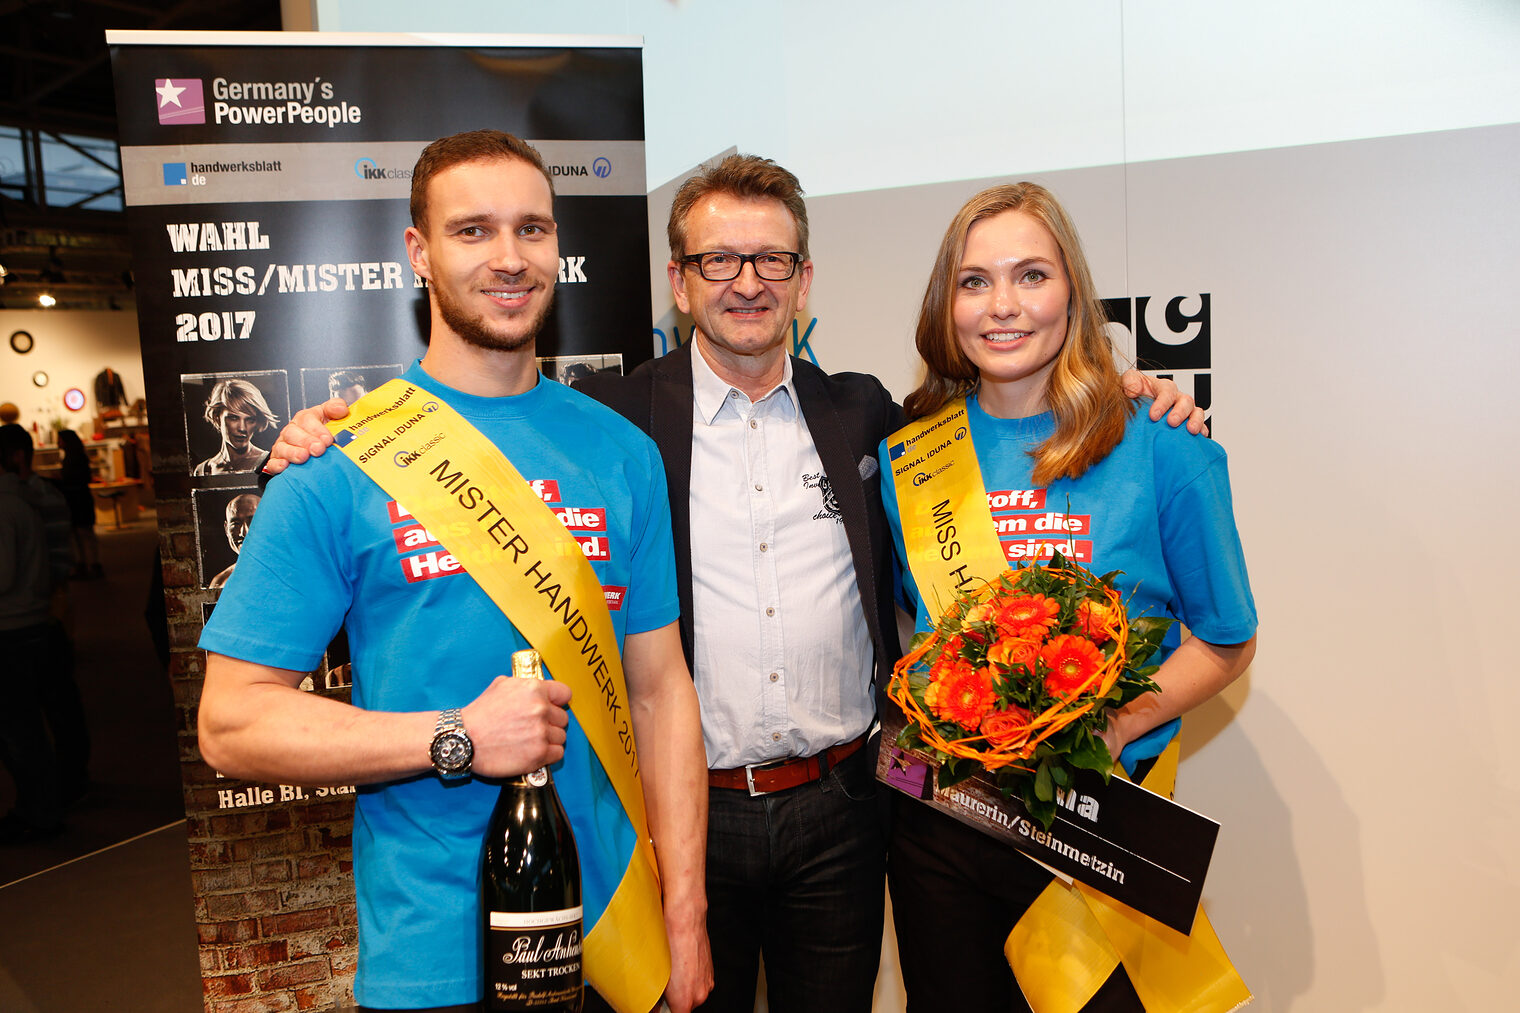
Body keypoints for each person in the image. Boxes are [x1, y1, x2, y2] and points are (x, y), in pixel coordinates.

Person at [267, 155, 1207, 1012]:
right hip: (684, 815)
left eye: (772, 260)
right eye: (717, 260)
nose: (747, 282)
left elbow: (1009, 410)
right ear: (677, 283)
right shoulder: (608, 426)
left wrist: (1128, 385)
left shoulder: (870, 416)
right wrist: (321, 434)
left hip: (845, 808)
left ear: (805, 280)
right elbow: (481, 437)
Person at [198, 130, 712, 1013]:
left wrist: (687, 912)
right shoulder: (340, 462)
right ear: (419, 252)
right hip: (434, 954)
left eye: (533, 230)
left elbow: (662, 693)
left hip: (613, 944)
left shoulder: (623, 453)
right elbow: (231, 722)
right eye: (472, 231)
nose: (510, 259)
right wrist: (456, 737)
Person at [879, 182, 1258, 1010]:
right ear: (947, 304)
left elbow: (1228, 639)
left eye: (1031, 275)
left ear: (1073, 292)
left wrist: (1106, 729)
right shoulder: (910, 457)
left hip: (1097, 826)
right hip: (944, 830)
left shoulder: (1163, 442)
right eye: (974, 281)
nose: (1003, 305)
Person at [0, 424, 63, 842]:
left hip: (13, 629)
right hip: (30, 622)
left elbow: (2, 576)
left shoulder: (6, 507)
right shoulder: (24, 501)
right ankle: (41, 806)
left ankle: (38, 812)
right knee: (28, 725)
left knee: (19, 730)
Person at [191, 377, 278, 475]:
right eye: (233, 418)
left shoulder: (269, 462)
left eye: (250, 420)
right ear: (217, 418)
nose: (242, 428)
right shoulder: (203, 469)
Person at [55, 429, 102, 579]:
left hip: (76, 499)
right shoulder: (78, 457)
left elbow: (74, 479)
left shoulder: (72, 459)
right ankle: (90, 564)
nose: (58, 443)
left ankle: (87, 564)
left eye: (60, 439)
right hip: (81, 498)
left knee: (81, 533)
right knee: (83, 533)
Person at [206, 491, 258, 589]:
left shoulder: (290, 573)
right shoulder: (220, 582)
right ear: (226, 529)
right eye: (236, 524)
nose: (244, 533)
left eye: (252, 522)